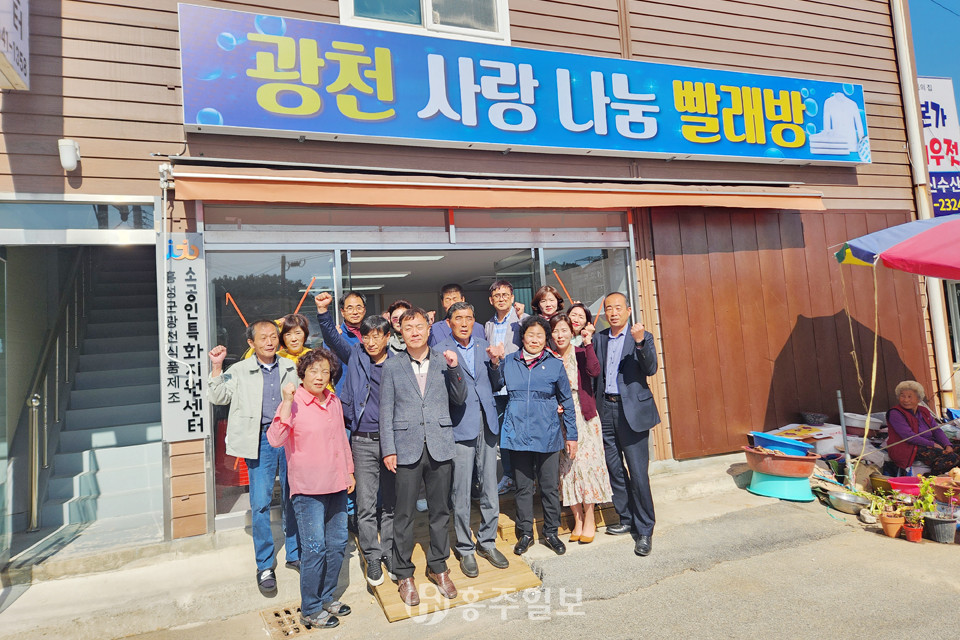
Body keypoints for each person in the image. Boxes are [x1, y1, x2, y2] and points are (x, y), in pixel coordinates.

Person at [379, 308, 468, 607]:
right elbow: (385, 411)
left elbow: (460, 398)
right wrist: (389, 448)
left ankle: (439, 566)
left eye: (419, 326)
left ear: (429, 329)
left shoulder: (445, 360)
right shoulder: (392, 366)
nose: (415, 332)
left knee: (440, 511)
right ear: (400, 332)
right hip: (405, 447)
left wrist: (455, 369)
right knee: (403, 514)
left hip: (440, 444)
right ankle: (404, 573)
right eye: (408, 328)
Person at [208, 320, 300, 596]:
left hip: (288, 435)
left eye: (273, 336)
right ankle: (265, 565)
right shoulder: (239, 370)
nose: (270, 342)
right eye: (263, 338)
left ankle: (294, 552)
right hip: (259, 439)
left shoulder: (290, 367)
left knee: (293, 495)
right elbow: (218, 397)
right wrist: (217, 366)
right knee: (260, 503)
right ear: (251, 343)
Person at [267, 348, 354, 629]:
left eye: (325, 371)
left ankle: (327, 597)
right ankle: (311, 608)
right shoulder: (294, 401)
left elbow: (341, 440)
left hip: (337, 484)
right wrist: (285, 402)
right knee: (315, 549)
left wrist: (349, 472)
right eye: (314, 371)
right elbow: (275, 439)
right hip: (308, 490)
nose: (320, 376)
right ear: (302, 374)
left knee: (337, 544)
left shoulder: (333, 401)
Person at [315, 292, 396, 587]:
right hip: (362, 440)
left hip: (391, 441)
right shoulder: (356, 355)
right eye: (366, 337)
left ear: (387, 337)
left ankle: (389, 552)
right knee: (365, 504)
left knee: (391, 503)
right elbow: (333, 339)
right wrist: (323, 313)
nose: (371, 342)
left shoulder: (398, 364)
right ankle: (372, 555)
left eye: (376, 336)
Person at [490, 315, 577, 557]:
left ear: (546, 338)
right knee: (523, 487)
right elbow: (496, 384)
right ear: (523, 337)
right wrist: (495, 364)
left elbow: (567, 402)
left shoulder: (555, 364)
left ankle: (551, 532)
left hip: (547, 433)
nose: (535, 340)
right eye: (531, 335)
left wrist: (572, 435)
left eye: (540, 335)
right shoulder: (510, 361)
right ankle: (525, 533)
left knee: (549, 487)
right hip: (518, 433)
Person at [436, 301, 510, 578]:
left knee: (490, 485)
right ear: (449, 322)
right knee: (461, 489)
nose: (465, 323)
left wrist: (495, 363)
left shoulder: (483, 345)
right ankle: (465, 547)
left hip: (487, 422)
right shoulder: (439, 350)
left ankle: (487, 542)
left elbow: (496, 383)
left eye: (469, 317)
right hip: (459, 425)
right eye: (459, 318)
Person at [593, 292, 659, 557]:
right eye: (609, 308)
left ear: (628, 311)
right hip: (605, 409)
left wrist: (640, 342)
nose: (613, 312)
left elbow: (650, 368)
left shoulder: (641, 337)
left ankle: (645, 529)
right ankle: (627, 518)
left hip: (631, 411)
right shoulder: (599, 338)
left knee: (638, 473)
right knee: (614, 469)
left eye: (618, 308)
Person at [551, 314, 611, 544]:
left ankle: (590, 518)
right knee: (567, 468)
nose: (560, 335)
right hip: (561, 418)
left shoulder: (581, 352)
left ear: (571, 331)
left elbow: (595, 371)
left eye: (564, 330)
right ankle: (577, 518)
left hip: (584, 415)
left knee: (586, 466)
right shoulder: (550, 357)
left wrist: (588, 343)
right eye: (555, 330)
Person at [484, 280, 527, 495]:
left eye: (505, 295)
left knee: (522, 433)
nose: (501, 299)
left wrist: (522, 317)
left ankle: (527, 478)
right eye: (497, 296)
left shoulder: (522, 319)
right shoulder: (488, 325)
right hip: (497, 388)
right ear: (491, 300)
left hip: (517, 386)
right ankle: (509, 476)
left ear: (512, 297)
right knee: (505, 436)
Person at [886, 380, 960, 475]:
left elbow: (936, 430)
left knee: (954, 450)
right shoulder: (895, 413)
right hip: (908, 448)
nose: (906, 400)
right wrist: (932, 444)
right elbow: (908, 436)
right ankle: (931, 478)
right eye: (902, 396)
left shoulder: (923, 411)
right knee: (951, 457)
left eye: (910, 396)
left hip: (929, 444)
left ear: (918, 399)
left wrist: (947, 445)